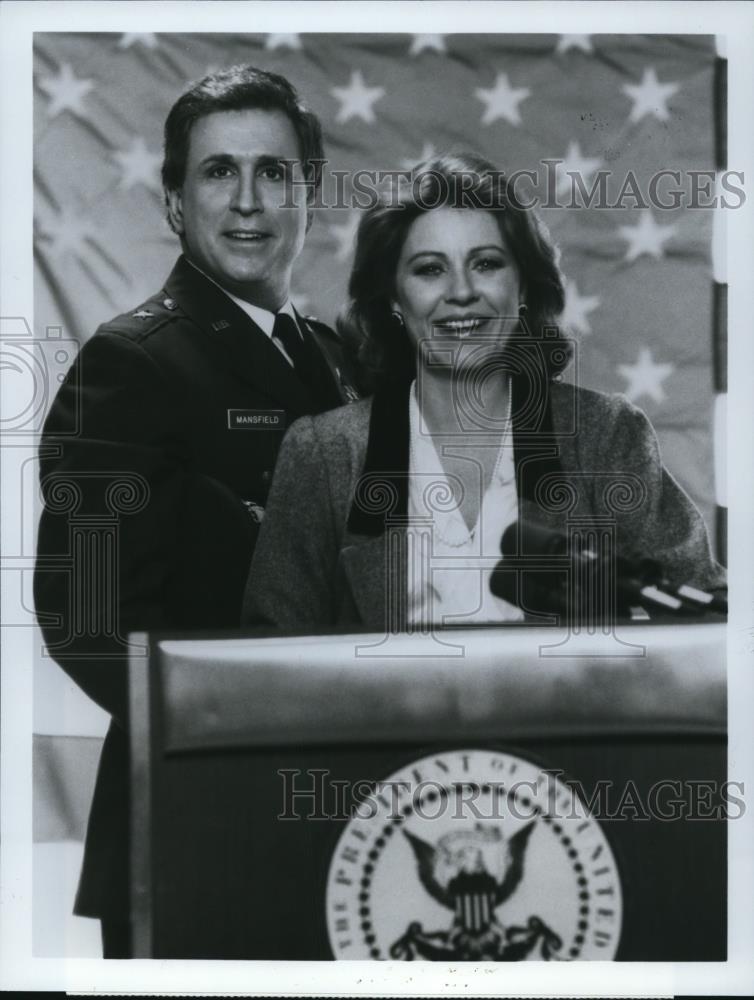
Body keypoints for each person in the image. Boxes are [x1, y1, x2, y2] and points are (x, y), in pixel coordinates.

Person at [34, 64, 357, 957]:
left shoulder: (335, 362)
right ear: (174, 201)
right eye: (218, 172)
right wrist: (248, 744)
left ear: (309, 193)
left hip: (340, 817)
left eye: (273, 172)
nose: (247, 201)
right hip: (191, 820)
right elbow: (87, 618)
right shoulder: (131, 365)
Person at [241, 152, 725, 633]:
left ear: (524, 288)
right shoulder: (325, 456)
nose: (462, 292)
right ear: (392, 296)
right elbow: (264, 668)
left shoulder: (607, 436)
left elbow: (709, 623)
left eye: (487, 263)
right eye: (430, 269)